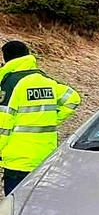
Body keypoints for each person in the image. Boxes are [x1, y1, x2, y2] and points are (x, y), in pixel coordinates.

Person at [0, 41, 80, 195]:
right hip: (45, 155)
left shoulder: (11, 83)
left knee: (15, 203)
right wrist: (52, 119)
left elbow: (3, 123)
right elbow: (73, 98)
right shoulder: (45, 80)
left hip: (18, 159)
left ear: (6, 59)